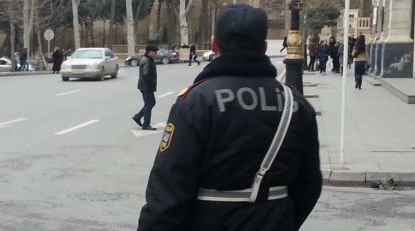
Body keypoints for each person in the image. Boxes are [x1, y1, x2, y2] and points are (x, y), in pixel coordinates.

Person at [136, 4, 322, 231]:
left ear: (214, 44)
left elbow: (169, 189)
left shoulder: (197, 101)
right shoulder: (296, 103)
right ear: (263, 47)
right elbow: (309, 184)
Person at [132, 45, 159, 131]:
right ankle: (146, 124)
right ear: (149, 52)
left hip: (145, 86)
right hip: (146, 86)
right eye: (154, 52)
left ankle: (138, 116)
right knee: (149, 104)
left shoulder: (147, 59)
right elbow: (146, 74)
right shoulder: (147, 61)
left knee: (151, 103)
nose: (156, 53)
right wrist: (153, 81)